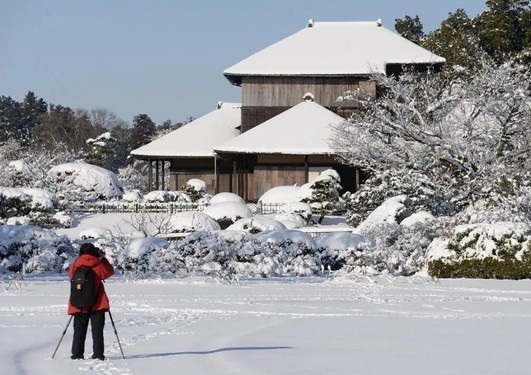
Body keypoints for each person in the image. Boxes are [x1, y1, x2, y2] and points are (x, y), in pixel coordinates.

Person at [68, 243, 114, 360]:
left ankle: (77, 354)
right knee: (97, 331)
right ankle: (98, 355)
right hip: (97, 303)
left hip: (78, 302)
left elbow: (71, 277)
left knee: (79, 331)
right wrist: (103, 258)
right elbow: (109, 272)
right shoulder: (98, 265)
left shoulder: (75, 265)